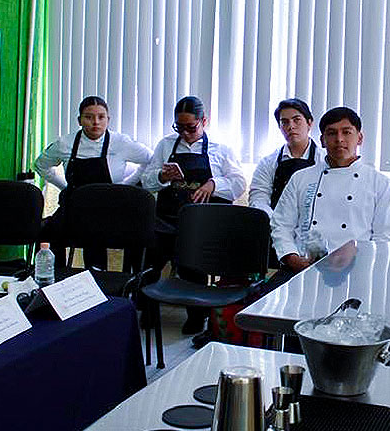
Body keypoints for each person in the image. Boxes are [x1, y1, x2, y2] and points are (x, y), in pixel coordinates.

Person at [139, 95, 247, 335]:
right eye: (180, 127)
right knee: (150, 259)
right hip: (168, 217)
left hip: (203, 222)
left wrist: (213, 184)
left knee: (193, 262)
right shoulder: (166, 145)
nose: (186, 133)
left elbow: (239, 183)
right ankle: (147, 309)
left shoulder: (221, 150)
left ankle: (196, 315)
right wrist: (162, 177)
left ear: (204, 121)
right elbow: (147, 181)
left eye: (191, 127)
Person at [272, 106, 390, 274]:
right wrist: (293, 259)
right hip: (302, 268)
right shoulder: (301, 178)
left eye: (346, 132)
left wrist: (362, 264)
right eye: (332, 133)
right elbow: (281, 225)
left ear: (359, 138)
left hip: (358, 270)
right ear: (323, 140)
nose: (339, 139)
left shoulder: (380, 183)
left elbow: (386, 237)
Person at [34, 95, 152, 268]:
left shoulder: (121, 143)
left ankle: (117, 283)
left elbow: (150, 160)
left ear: (108, 120)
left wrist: (126, 186)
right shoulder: (65, 143)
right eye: (89, 117)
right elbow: (41, 165)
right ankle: (57, 279)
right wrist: (64, 186)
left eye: (101, 117)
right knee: (47, 234)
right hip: (75, 207)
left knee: (111, 237)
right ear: (79, 120)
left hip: (112, 208)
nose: (95, 122)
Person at [248, 98, 320, 217]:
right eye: (285, 122)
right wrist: (277, 223)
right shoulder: (268, 163)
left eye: (296, 120)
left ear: (309, 123)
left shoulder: (325, 159)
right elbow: (258, 199)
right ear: (280, 127)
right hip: (275, 225)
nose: (291, 126)